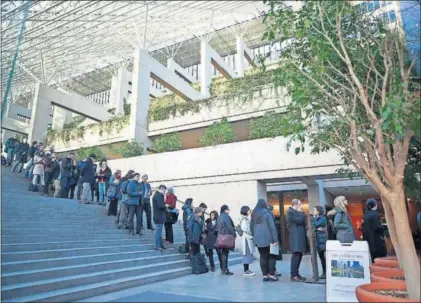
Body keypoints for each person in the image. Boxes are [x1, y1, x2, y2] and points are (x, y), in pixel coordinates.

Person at [251, 199, 278, 281]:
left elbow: (251, 228)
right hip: (269, 238)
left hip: (258, 239)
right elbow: (272, 227)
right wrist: (275, 239)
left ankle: (265, 275)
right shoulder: (267, 213)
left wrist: (255, 238)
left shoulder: (253, 215)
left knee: (263, 257)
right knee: (272, 256)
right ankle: (272, 275)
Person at [286, 199, 307, 282]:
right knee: (296, 256)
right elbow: (300, 220)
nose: (301, 206)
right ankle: (293, 275)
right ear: (295, 204)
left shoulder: (295, 212)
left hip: (299, 237)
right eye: (300, 204)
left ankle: (296, 273)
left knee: (299, 255)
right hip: (296, 238)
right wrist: (300, 212)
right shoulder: (290, 212)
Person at [363, 199, 387, 263]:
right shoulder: (375, 214)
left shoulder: (365, 214)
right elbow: (377, 227)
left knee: (372, 256)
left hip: (368, 239)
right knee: (379, 257)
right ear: (374, 205)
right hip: (376, 239)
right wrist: (384, 227)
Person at [217, 204, 236, 276]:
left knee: (223, 253)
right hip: (226, 237)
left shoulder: (219, 217)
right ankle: (225, 269)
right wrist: (234, 233)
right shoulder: (226, 216)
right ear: (225, 210)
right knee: (225, 253)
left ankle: (223, 269)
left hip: (220, 237)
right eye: (228, 209)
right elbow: (229, 227)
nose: (228, 211)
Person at [239, 206, 256, 277]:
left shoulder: (246, 218)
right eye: (249, 210)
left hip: (247, 239)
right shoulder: (244, 219)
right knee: (246, 254)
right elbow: (244, 228)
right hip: (246, 239)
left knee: (248, 254)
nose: (249, 211)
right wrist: (250, 231)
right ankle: (245, 271)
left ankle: (247, 270)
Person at [312, 205, 327, 279]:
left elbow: (316, 225)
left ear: (318, 211)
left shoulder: (322, 218)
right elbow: (315, 227)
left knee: (323, 257)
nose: (313, 211)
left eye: (314, 210)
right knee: (321, 257)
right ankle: (324, 272)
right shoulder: (318, 218)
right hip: (318, 240)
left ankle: (325, 273)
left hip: (321, 240)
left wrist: (314, 219)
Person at [153, 184, 168, 251]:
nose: (164, 192)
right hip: (159, 216)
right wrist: (166, 206)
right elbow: (160, 206)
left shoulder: (157, 195)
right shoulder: (158, 196)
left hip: (159, 216)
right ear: (161, 189)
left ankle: (160, 245)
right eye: (164, 191)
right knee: (158, 232)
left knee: (159, 232)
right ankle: (157, 246)